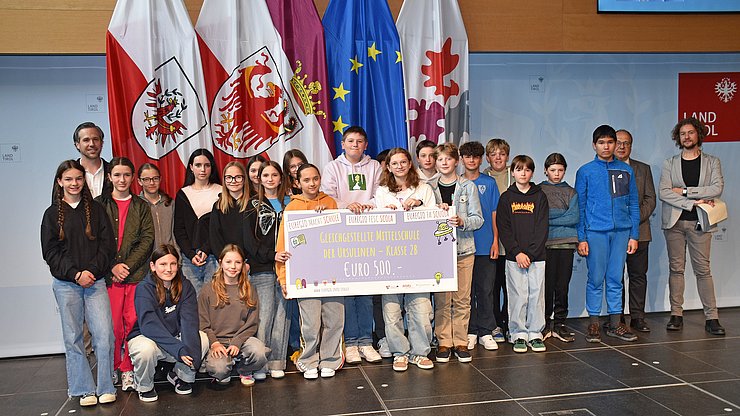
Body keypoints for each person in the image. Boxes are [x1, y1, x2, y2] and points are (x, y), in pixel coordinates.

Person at [41, 160, 116, 407]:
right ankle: (84, 389)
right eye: (69, 179)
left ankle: (105, 386)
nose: (74, 183)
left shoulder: (96, 210)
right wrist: (75, 274)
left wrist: (91, 272)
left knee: (104, 335)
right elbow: (50, 253)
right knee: (73, 337)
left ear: (84, 181)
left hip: (95, 282)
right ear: (60, 182)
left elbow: (107, 246)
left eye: (79, 179)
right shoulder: (51, 215)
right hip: (66, 285)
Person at [276, 164, 345, 379]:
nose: (312, 183)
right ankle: (308, 360)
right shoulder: (291, 208)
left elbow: (341, 236)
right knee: (310, 322)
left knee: (334, 319)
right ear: (297, 183)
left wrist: (326, 218)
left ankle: (331, 359)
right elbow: (283, 246)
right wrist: (284, 278)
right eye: (306, 180)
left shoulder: (330, 202)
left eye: (315, 178)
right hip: (305, 275)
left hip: (332, 274)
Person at [321, 126, 382, 364]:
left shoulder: (375, 166)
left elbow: (380, 193)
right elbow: (328, 196)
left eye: (359, 141)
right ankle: (352, 341)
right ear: (343, 144)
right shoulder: (332, 167)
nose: (355, 145)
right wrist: (348, 206)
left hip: (368, 234)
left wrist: (368, 205)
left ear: (365, 145)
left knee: (366, 292)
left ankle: (366, 341)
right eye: (350, 141)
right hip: (343, 235)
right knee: (347, 290)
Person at [659, 117, 725, 336]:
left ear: (698, 134)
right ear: (678, 138)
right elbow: (665, 192)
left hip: (700, 222)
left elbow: (716, 189)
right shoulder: (670, 163)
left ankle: (712, 317)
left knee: (703, 270)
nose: (686, 137)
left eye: (690, 133)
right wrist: (692, 202)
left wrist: (686, 191)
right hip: (675, 223)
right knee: (676, 269)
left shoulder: (712, 162)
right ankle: (676, 315)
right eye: (682, 134)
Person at [576, 125, 640, 343]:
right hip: (595, 233)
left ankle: (615, 323)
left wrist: (634, 234)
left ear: (616, 145)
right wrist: (582, 237)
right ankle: (593, 323)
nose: (606, 146)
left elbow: (633, 203)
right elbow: (581, 206)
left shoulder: (626, 170)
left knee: (616, 279)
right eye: (602, 142)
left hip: (622, 233)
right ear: (594, 145)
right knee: (595, 278)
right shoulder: (585, 171)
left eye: (610, 142)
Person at [96, 157, 155, 392]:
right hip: (109, 276)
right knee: (112, 326)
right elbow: (96, 240)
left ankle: (128, 369)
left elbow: (147, 239)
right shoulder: (99, 205)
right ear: (109, 177)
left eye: (126, 175)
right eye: (117, 175)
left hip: (135, 275)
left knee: (132, 324)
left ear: (133, 178)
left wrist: (126, 266)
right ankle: (112, 366)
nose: (122, 180)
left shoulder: (141, 206)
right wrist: (112, 266)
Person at [374, 148, 436, 372]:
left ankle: (420, 352)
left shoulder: (424, 189)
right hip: (390, 258)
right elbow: (374, 223)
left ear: (410, 164)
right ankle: (400, 352)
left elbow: (435, 220)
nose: (399, 166)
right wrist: (384, 212)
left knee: (420, 308)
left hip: (419, 258)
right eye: (394, 163)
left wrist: (419, 205)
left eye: (403, 162)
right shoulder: (381, 192)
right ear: (388, 167)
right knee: (391, 310)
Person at [127, 244, 209, 402]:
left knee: (202, 339)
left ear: (178, 266)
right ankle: (145, 386)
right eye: (163, 264)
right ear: (153, 266)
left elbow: (189, 322)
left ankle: (181, 376)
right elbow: (149, 326)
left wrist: (188, 350)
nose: (168, 269)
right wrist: (179, 349)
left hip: (174, 337)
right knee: (145, 350)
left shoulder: (185, 286)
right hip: (148, 337)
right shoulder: (144, 288)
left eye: (172, 264)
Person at [430, 143, 483, 363]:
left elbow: (478, 219)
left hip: (463, 250)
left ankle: (461, 341)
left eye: (448, 159)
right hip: (438, 253)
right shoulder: (428, 187)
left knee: (462, 299)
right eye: (440, 159)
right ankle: (444, 342)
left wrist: (462, 222)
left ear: (456, 161)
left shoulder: (467, 187)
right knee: (442, 300)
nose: (444, 163)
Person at [243, 161, 292, 380]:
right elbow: (249, 241)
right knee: (264, 316)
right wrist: (271, 255)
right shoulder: (251, 204)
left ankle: (277, 361)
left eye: (274, 175)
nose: (270, 179)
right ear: (259, 179)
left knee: (283, 315)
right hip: (262, 268)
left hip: (288, 269)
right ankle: (260, 363)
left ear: (281, 178)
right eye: (266, 175)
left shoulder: (291, 203)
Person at [497, 155, 549, 353]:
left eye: (527, 170)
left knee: (536, 294)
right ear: (513, 172)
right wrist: (517, 252)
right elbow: (504, 228)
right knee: (518, 295)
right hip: (514, 258)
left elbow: (542, 227)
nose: (523, 173)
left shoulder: (540, 196)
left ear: (532, 173)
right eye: (519, 170)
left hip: (537, 257)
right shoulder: (506, 198)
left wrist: (531, 253)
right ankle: (518, 333)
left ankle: (535, 333)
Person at [198, 244, 267, 386]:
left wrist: (237, 341)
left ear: (243, 265)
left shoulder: (249, 289)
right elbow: (202, 323)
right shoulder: (207, 290)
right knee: (219, 370)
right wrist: (215, 343)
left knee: (260, 353)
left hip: (241, 340)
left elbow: (252, 323)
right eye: (228, 262)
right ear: (220, 262)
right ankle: (222, 364)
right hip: (217, 342)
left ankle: (244, 369)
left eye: (238, 262)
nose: (233, 266)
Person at [459, 141, 500, 351]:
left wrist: (495, 240)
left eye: (476, 157)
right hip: (463, 246)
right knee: (466, 292)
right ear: (462, 159)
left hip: (485, 245)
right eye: (468, 157)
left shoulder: (489, 183)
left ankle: (486, 331)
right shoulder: (457, 184)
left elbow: (494, 213)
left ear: (481, 159)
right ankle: (470, 330)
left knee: (485, 290)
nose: (472, 160)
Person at [615, 129, 656, 332]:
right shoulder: (605, 168)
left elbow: (650, 199)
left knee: (638, 275)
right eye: (619, 142)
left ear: (631, 145)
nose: (622, 146)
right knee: (616, 276)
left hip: (640, 231)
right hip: (613, 233)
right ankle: (618, 317)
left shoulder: (643, 169)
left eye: (626, 143)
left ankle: (638, 317)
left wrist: (632, 219)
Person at [539, 153, 579, 343]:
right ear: (546, 170)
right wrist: (558, 216)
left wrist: (550, 217)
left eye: (560, 170)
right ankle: (545, 322)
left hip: (566, 245)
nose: (557, 174)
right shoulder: (538, 191)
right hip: (545, 245)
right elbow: (539, 217)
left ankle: (560, 323)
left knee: (562, 286)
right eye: (553, 170)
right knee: (546, 286)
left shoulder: (571, 192)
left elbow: (573, 218)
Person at [174, 149, 221, 294]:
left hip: (214, 258)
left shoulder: (221, 192)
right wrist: (190, 254)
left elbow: (220, 229)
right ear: (191, 167)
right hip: (189, 260)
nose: (203, 169)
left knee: (214, 304)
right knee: (192, 306)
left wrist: (206, 250)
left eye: (207, 165)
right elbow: (179, 229)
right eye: (198, 165)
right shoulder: (183, 194)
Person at [484, 138, 512, 342]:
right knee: (491, 288)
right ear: (487, 158)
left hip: (510, 242)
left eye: (501, 154)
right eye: (493, 154)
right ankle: (494, 325)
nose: (498, 158)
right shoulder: (482, 177)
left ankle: (508, 321)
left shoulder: (515, 175)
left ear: (507, 156)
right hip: (491, 242)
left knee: (510, 287)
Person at [209, 161, 250, 257]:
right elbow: (215, 238)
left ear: (244, 179)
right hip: (225, 261)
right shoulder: (218, 207)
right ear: (224, 180)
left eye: (238, 177)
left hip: (249, 262)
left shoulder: (253, 205)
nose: (233, 181)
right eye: (229, 177)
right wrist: (224, 260)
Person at [138, 163, 177, 251]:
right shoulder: (136, 205)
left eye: (155, 178)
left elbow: (176, 233)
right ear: (139, 181)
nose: (152, 183)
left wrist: (177, 254)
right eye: (146, 179)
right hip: (146, 260)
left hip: (170, 257)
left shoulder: (170, 203)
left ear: (160, 179)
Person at [73, 122, 112, 198]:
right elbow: (58, 206)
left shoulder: (113, 171)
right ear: (77, 145)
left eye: (95, 139)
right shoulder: (67, 173)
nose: (92, 144)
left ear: (102, 143)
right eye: (86, 140)